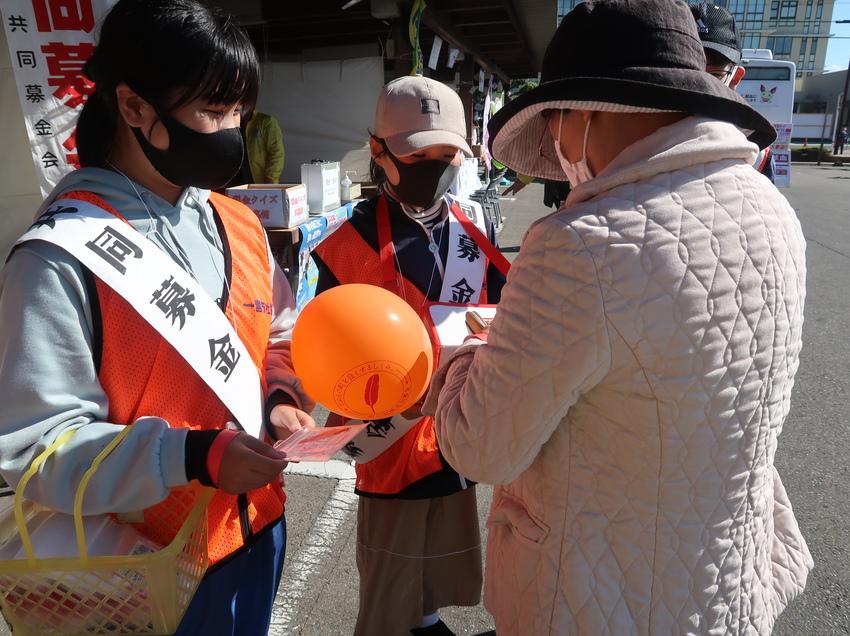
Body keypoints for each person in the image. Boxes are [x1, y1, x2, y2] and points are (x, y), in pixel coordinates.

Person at [423, 0, 812, 634]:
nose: (553, 143)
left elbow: (480, 445)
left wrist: (469, 359)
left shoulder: (581, 244)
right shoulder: (772, 212)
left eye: (554, 121)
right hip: (725, 586)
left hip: (596, 600)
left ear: (589, 109)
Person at [0, 1, 315, 634]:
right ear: (136, 107)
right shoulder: (60, 256)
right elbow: (35, 448)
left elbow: (279, 333)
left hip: (256, 532)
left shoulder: (239, 224)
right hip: (140, 570)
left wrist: (280, 393)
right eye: (213, 111)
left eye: (240, 113)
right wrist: (192, 455)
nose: (231, 132)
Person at [312, 74, 506, 636]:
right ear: (378, 151)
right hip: (387, 428)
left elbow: (495, 310)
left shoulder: (475, 228)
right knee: (392, 551)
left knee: (443, 530)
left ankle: (428, 619)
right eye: (419, 154)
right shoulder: (347, 243)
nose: (436, 166)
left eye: (449, 154)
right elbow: (326, 345)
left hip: (453, 420)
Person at [690, 2, 776, 181]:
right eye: (690, 71)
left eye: (714, 74)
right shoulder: (630, 132)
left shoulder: (757, 154)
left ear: (735, 78)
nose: (699, 84)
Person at [231, 107, 285, 185]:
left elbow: (277, 152)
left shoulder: (266, 121)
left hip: (260, 181)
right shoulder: (231, 123)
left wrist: (270, 177)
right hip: (237, 181)